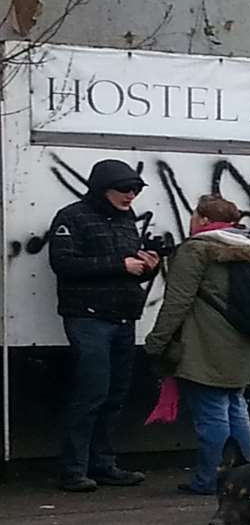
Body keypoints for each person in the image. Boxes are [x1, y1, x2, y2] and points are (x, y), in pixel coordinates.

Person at [144, 194, 250, 495]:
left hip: (205, 345)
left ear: (203, 219)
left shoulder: (197, 249)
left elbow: (177, 301)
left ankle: (207, 480)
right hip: (243, 342)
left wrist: (157, 342)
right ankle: (243, 476)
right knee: (236, 407)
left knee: (212, 414)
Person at [47, 159, 162, 493]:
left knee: (115, 394)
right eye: (124, 189)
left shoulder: (127, 220)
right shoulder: (72, 217)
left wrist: (147, 266)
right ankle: (73, 469)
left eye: (136, 190)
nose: (131, 196)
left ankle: (103, 463)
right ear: (102, 188)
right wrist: (120, 264)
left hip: (123, 316)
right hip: (88, 316)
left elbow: (127, 268)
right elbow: (63, 263)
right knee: (90, 393)